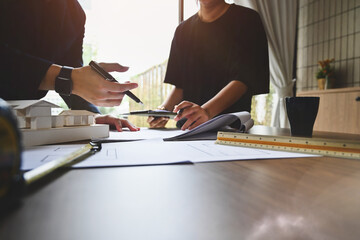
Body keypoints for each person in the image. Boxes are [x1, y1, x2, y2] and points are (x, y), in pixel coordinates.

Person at [0, 0, 139, 132]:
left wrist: (91, 115)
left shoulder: (74, 14)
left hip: (17, 126)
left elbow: (71, 67)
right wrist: (68, 78)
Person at [148, 0, 269, 130]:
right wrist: (162, 111)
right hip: (187, 130)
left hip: (230, 129)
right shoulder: (183, 30)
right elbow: (180, 86)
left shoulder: (248, 19)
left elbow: (243, 80)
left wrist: (206, 111)